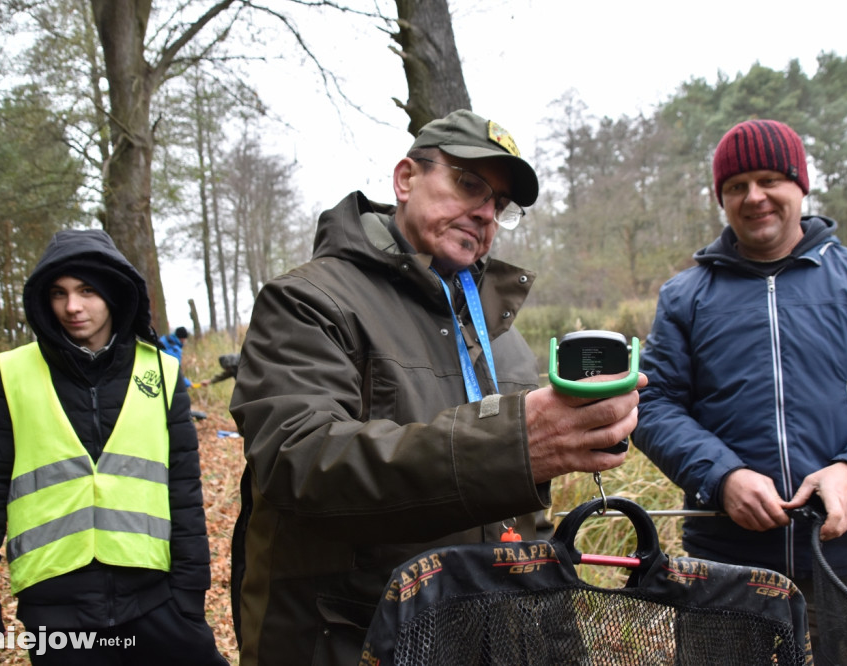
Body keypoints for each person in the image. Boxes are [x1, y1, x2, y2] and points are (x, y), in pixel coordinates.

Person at [229, 109, 643, 665]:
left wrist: (556, 645)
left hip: (482, 640)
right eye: (468, 182)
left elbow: (527, 525)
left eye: (498, 203)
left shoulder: (502, 337)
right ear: (406, 179)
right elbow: (298, 462)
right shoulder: (308, 301)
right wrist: (513, 442)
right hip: (355, 638)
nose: (484, 212)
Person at [634, 119, 847, 657]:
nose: (753, 197)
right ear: (722, 198)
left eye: (768, 180)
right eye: (736, 186)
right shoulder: (685, 296)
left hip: (845, 551)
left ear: (800, 187)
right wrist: (723, 476)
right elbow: (653, 403)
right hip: (724, 556)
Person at [0, 229, 228, 665]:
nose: (72, 307)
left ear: (114, 294)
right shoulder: (13, 374)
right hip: (57, 612)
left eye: (87, 290)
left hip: (155, 602)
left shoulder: (161, 371)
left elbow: (184, 491)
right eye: (59, 293)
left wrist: (190, 597)